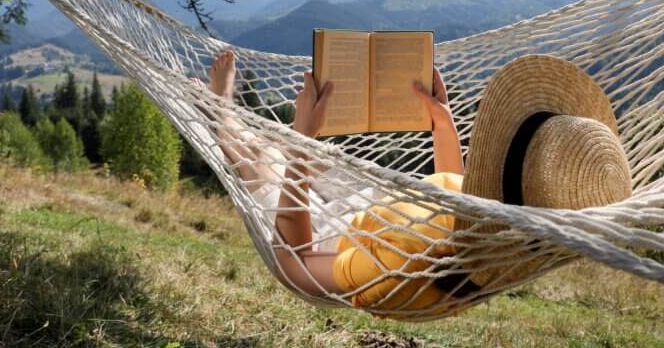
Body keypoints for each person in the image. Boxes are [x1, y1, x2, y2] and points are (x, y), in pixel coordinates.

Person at [202, 50, 635, 315]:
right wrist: (442, 124)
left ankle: (221, 113)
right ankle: (262, 137)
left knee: (260, 158)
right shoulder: (497, 234)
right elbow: (459, 198)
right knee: (279, 152)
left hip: (325, 238)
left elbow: (293, 267)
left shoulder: (399, 267)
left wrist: (302, 143)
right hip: (377, 205)